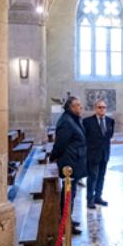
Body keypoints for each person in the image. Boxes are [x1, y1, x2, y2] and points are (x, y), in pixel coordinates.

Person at [50, 96, 87, 235]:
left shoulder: (72, 119)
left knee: (71, 194)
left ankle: (68, 219)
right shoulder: (66, 121)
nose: (80, 107)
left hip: (75, 161)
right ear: (71, 107)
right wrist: (53, 156)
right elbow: (61, 143)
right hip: (69, 164)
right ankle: (66, 224)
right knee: (68, 195)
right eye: (78, 105)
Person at [82, 99, 114, 210]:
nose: (102, 109)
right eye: (99, 107)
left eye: (104, 107)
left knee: (101, 176)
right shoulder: (87, 121)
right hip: (92, 154)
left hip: (104, 154)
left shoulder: (110, 121)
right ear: (95, 108)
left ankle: (98, 197)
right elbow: (84, 138)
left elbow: (108, 137)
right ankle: (90, 199)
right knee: (92, 177)